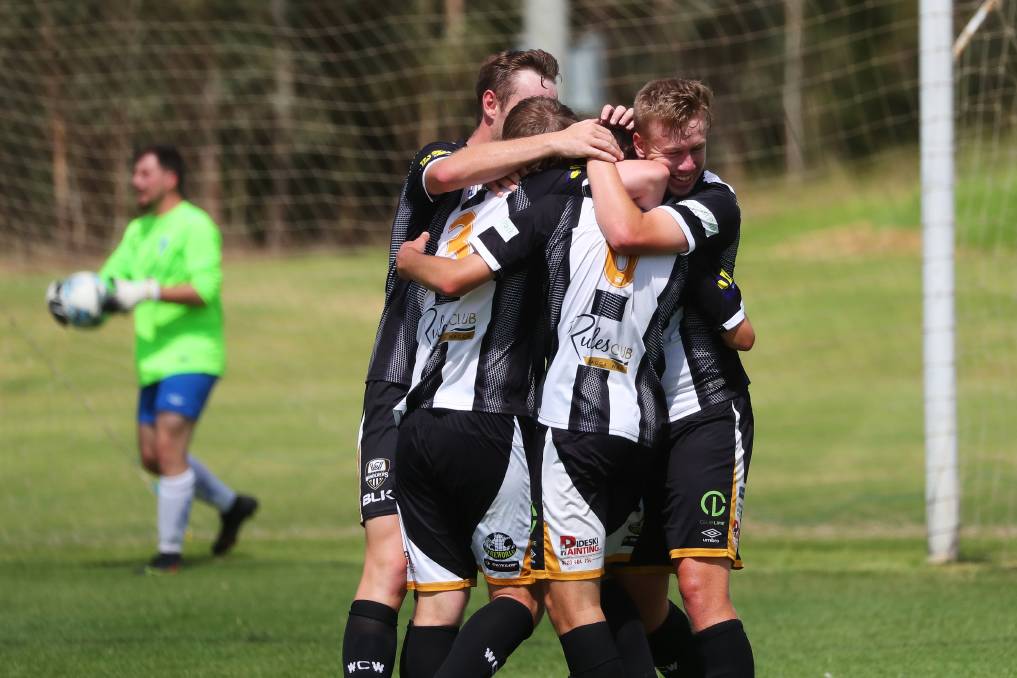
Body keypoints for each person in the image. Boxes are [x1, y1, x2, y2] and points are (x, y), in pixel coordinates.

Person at [342, 49, 629, 678]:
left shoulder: (531, 189)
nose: (546, 116)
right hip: (403, 386)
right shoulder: (443, 163)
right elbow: (449, 179)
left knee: (439, 592)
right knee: (393, 567)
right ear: (491, 105)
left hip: (456, 402)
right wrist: (559, 142)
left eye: (552, 104)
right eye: (533, 105)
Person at [391, 96, 667, 678]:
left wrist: (409, 260)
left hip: (415, 426)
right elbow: (650, 179)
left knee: (437, 603)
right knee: (530, 594)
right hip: (491, 420)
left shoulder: (455, 206)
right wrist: (601, 148)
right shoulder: (544, 198)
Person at [587, 77, 757, 677]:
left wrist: (597, 158)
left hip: (703, 409)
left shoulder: (715, 200)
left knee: (699, 584)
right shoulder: (616, 176)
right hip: (629, 415)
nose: (688, 165)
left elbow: (629, 232)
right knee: (629, 593)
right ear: (638, 143)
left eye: (698, 149)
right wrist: (598, 143)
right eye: (673, 152)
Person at [58, 144, 257, 573]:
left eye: (145, 173)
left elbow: (204, 289)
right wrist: (71, 301)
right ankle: (231, 505)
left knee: (168, 449)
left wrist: (148, 290)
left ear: (171, 178)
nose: (136, 181)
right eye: (135, 173)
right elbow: (108, 286)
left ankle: (168, 556)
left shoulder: (195, 225)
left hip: (193, 355)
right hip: (152, 360)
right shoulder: (138, 230)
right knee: (153, 457)